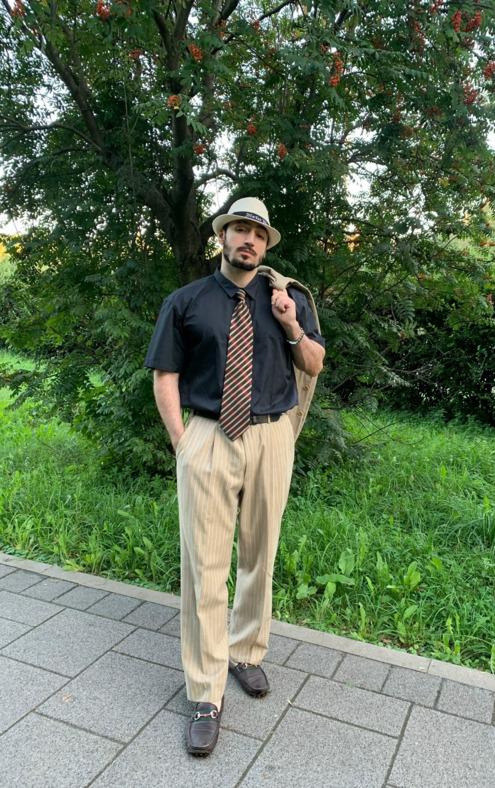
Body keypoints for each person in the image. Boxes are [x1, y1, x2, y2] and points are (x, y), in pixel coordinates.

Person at [144, 197, 325, 756]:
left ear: (266, 245)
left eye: (259, 234)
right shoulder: (186, 302)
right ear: (222, 237)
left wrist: (290, 324)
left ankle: (246, 653)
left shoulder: (289, 299)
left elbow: (314, 364)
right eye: (240, 229)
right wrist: (183, 442)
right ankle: (205, 692)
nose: (249, 240)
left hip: (271, 436)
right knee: (204, 565)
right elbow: (165, 375)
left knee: (260, 553)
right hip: (208, 435)